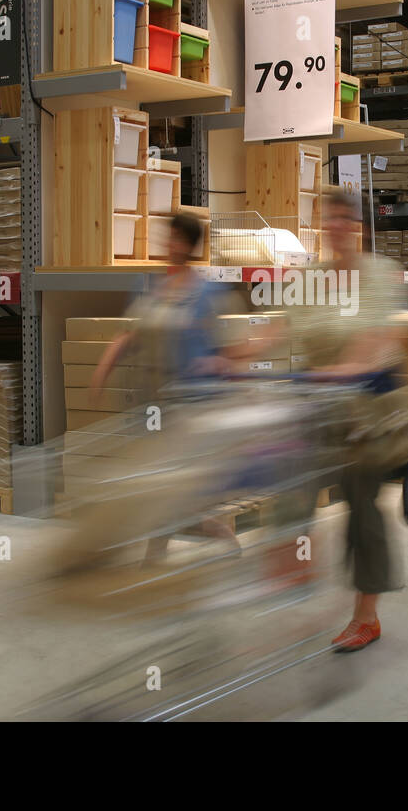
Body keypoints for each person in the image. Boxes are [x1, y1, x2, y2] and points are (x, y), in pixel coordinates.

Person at [290, 190, 408, 652]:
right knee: (290, 484)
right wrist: (229, 356)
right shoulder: (312, 278)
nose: (336, 225)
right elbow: (283, 329)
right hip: (320, 404)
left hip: (369, 409)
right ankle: (291, 567)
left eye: (345, 218)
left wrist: (346, 368)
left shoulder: (378, 274)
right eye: (330, 218)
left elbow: (379, 335)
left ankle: (366, 615)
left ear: (356, 224)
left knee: (362, 507)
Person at [91, 213, 241, 559]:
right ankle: (191, 548)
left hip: (191, 406)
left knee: (169, 489)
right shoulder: (152, 289)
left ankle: (170, 553)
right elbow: (130, 333)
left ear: (188, 245)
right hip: (155, 405)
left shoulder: (206, 293)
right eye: (167, 237)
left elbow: (227, 349)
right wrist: (102, 370)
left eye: (175, 238)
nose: (168, 244)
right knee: (162, 488)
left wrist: (222, 369)